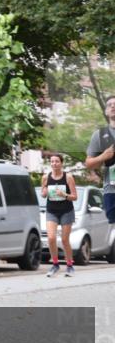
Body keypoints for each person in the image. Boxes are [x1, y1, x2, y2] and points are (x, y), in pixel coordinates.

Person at [41, 154, 78, 277]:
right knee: (51, 238)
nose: (54, 164)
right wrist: (44, 192)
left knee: (64, 239)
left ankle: (69, 266)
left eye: (57, 161)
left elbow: (75, 196)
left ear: (61, 163)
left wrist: (64, 195)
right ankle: (55, 265)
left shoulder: (68, 177)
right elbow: (43, 193)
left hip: (66, 211)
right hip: (52, 210)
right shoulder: (46, 177)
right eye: (52, 161)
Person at [85, 94, 115, 234]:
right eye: (109, 105)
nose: (113, 106)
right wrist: (103, 156)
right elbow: (89, 164)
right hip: (112, 190)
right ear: (106, 111)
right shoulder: (100, 135)